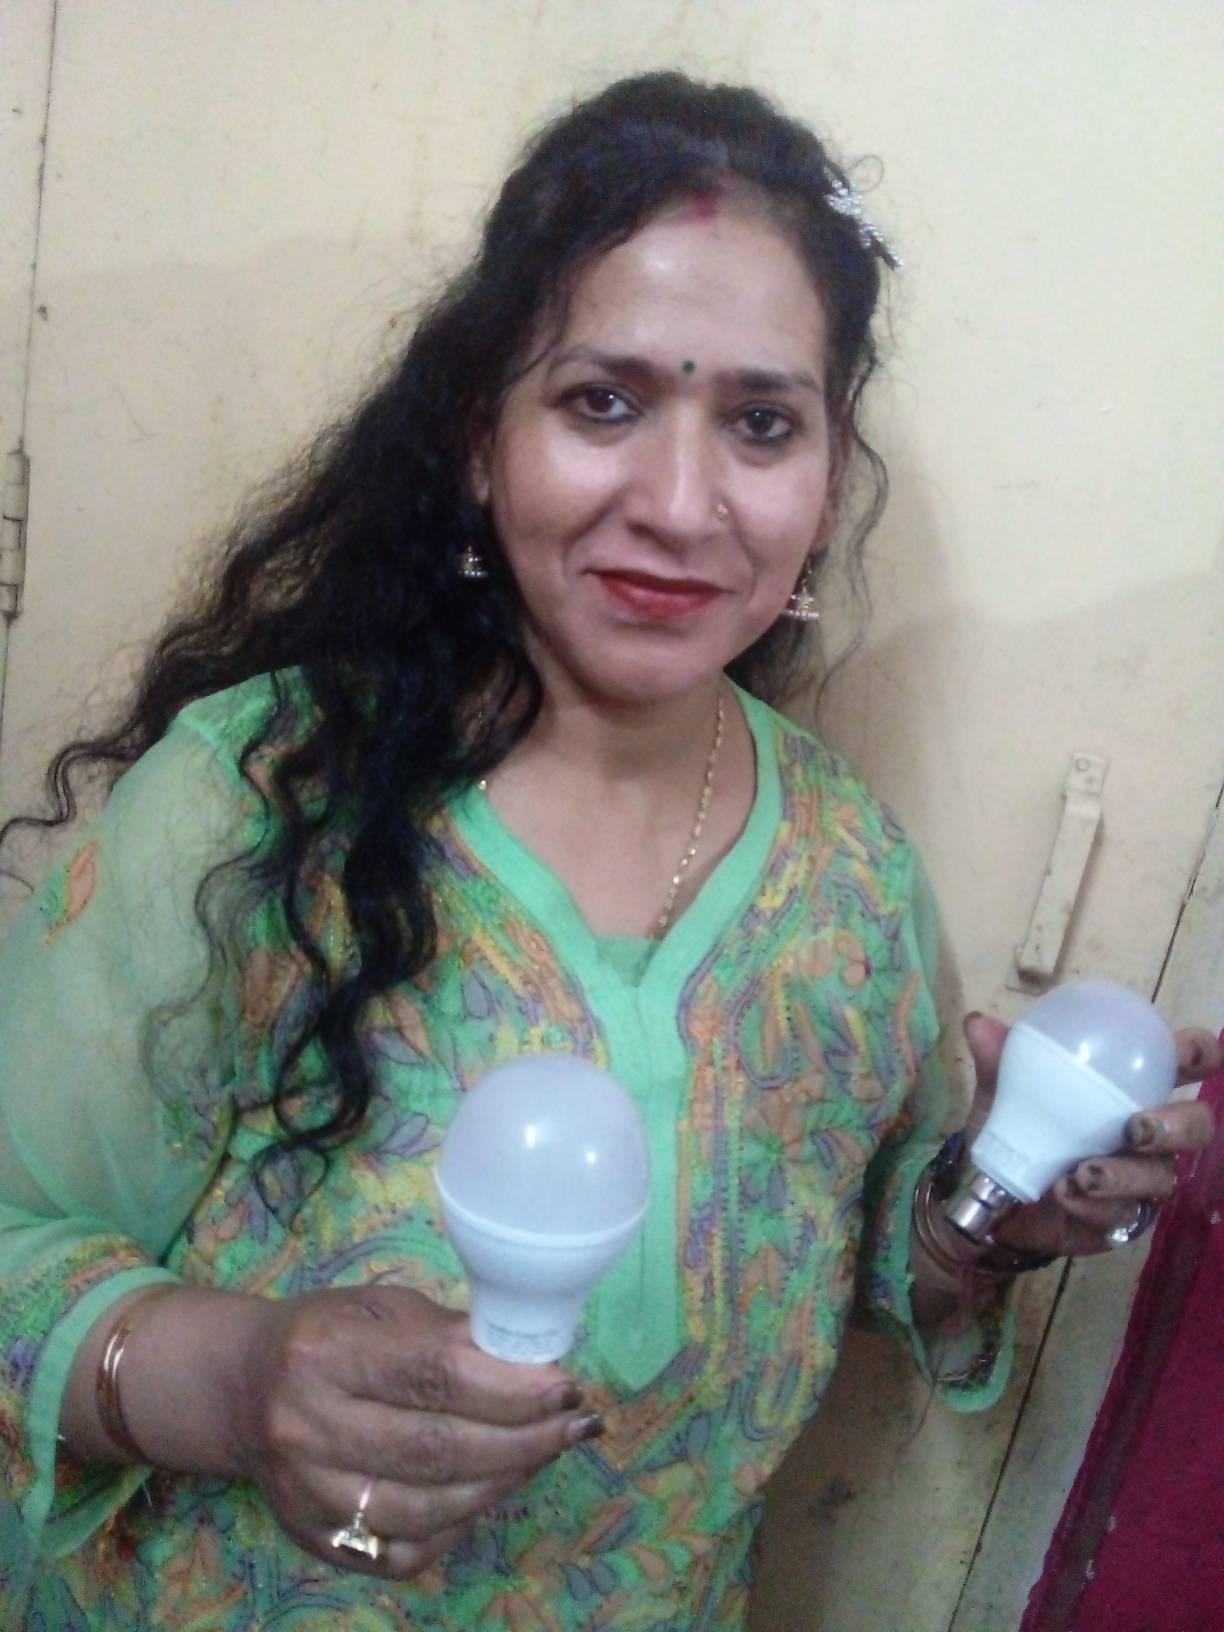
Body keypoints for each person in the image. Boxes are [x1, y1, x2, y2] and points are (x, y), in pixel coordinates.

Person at [0, 71, 1215, 1632]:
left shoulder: (851, 880)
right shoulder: (254, 803)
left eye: (761, 423)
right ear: (476, 437)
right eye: (604, 402)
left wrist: (984, 1217)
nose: (682, 506)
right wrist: (239, 1382)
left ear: (826, 469)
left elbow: (826, 1277)